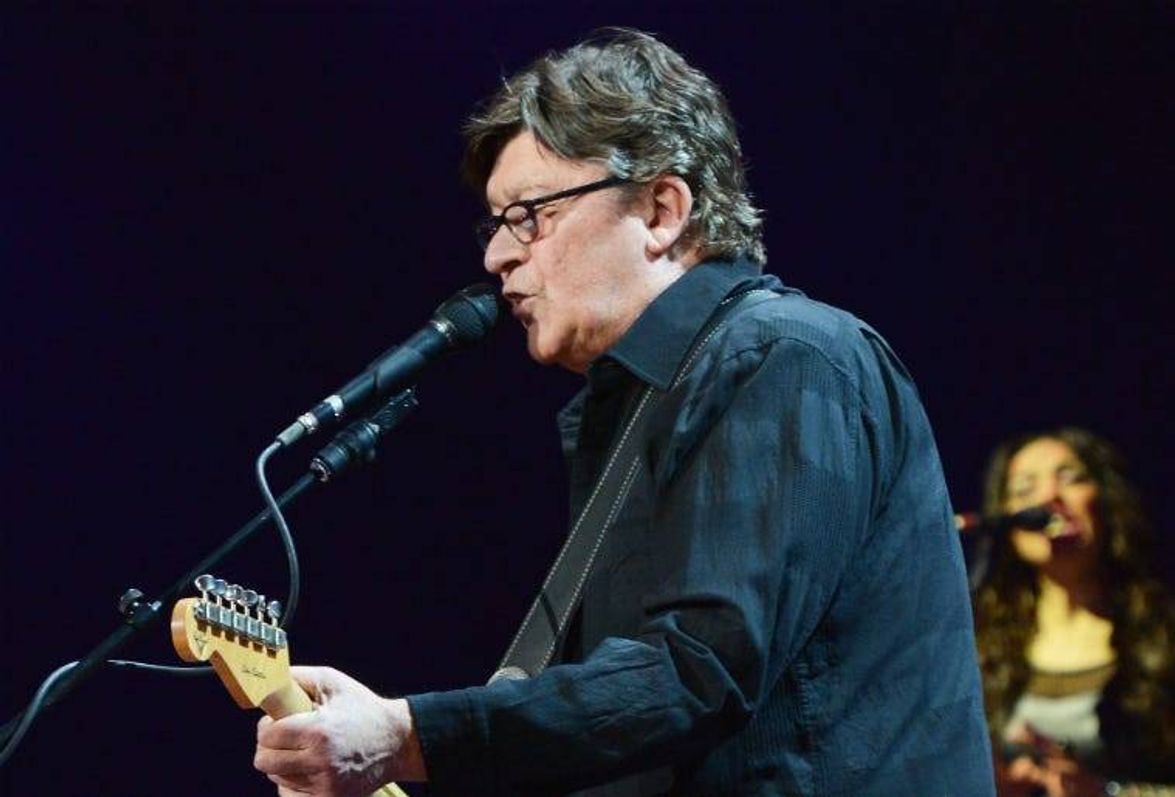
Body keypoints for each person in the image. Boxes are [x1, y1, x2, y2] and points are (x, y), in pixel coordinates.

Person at [252, 28, 995, 796]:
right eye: (496, 223)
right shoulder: (642, 404)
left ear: (662, 209)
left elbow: (697, 670)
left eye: (530, 214)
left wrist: (411, 736)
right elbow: (632, 727)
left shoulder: (786, 356)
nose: (497, 256)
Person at [973, 427, 1175, 796]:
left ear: (1107, 500)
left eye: (1072, 478)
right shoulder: (977, 642)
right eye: (1024, 489)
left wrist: (1107, 792)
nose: (1049, 496)